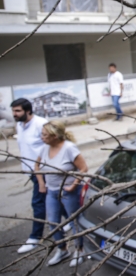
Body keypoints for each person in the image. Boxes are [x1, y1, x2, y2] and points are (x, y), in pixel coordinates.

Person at [34, 121, 88, 267]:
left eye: (44, 134)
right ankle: (62, 249)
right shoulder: (44, 148)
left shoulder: (69, 148)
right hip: (51, 192)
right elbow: (37, 166)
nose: (41, 137)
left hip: (69, 192)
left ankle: (79, 249)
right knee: (53, 222)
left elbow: (83, 169)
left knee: (74, 221)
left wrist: (73, 185)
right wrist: (41, 183)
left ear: (55, 136)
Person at [12, 98, 48, 254]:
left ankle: (35, 237)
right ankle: (70, 221)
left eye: (18, 111)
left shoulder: (41, 124)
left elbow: (51, 145)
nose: (14, 114)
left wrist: (40, 170)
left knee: (38, 203)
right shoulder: (20, 125)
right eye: (13, 111)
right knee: (52, 198)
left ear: (28, 111)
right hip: (30, 170)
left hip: (43, 171)